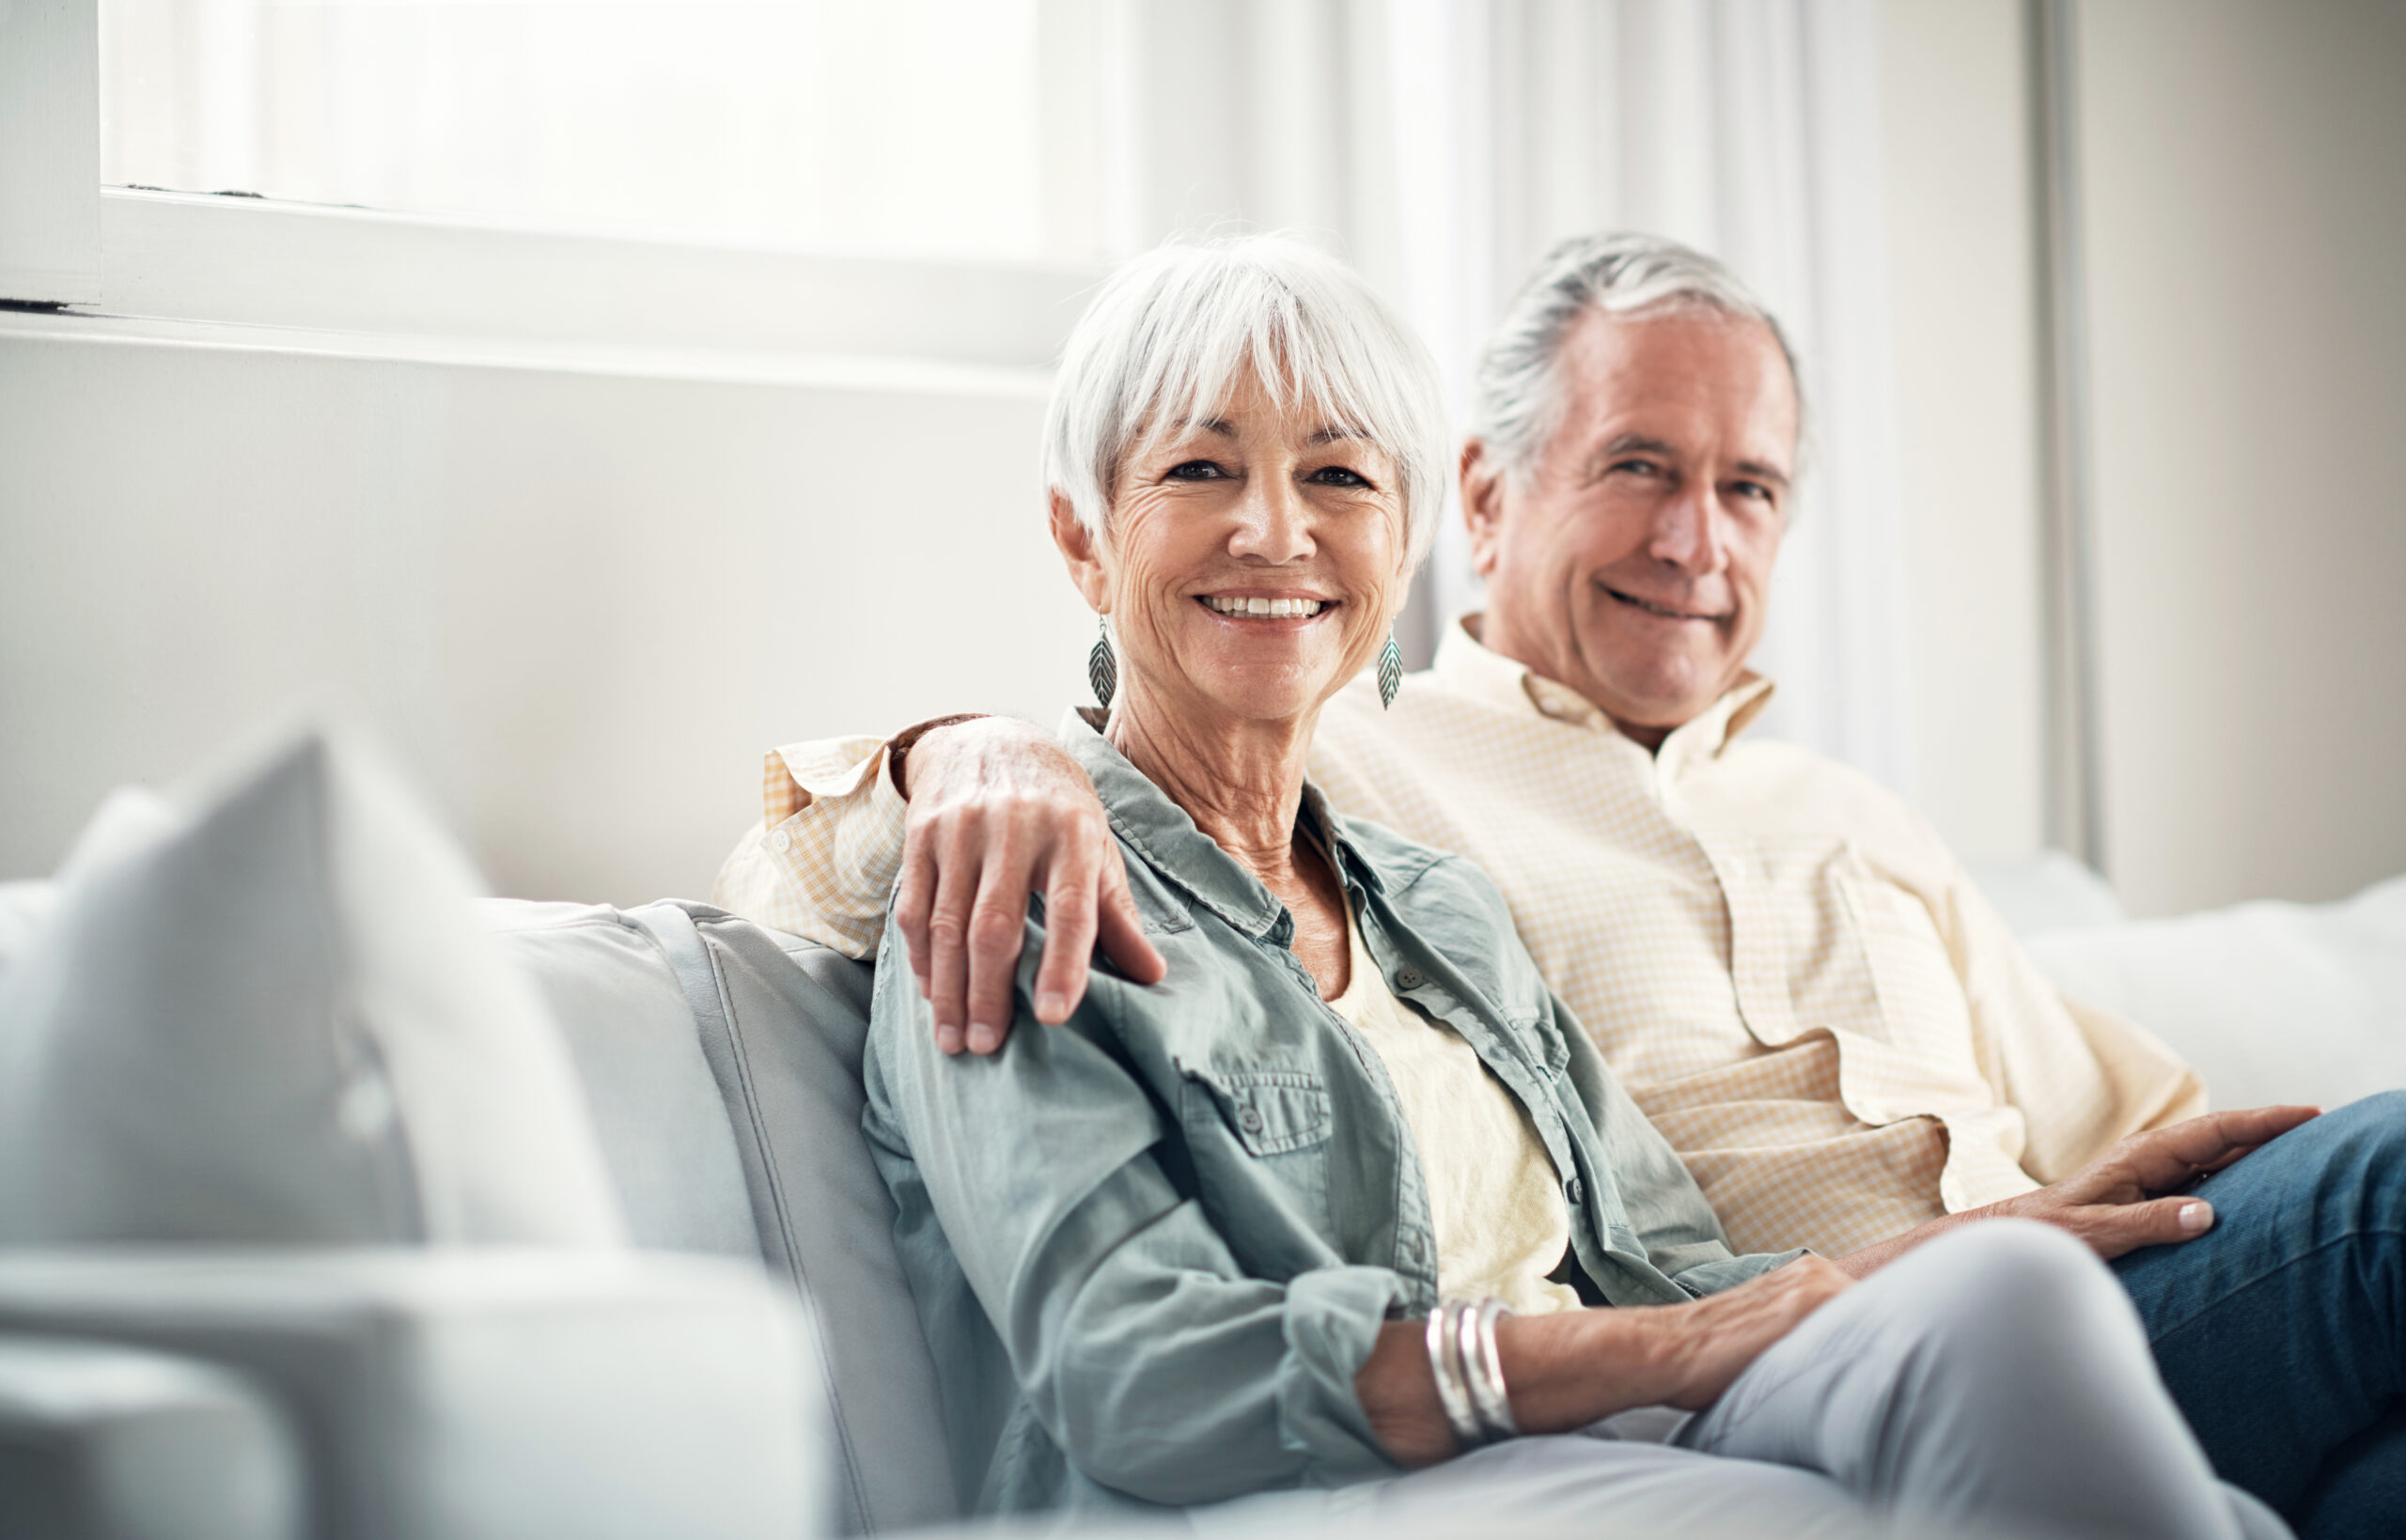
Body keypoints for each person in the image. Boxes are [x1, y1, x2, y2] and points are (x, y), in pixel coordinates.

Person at [721, 235, 2403, 1536]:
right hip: (1353, 1475)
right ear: (1084, 541)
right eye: (1197, 470)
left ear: (1395, 538)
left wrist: (1978, 1245)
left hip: (1648, 1409)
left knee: (2044, 1301)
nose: (1277, 533)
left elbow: (1679, 1281)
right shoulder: (1036, 868)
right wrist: (969, 746)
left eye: (1334, 476)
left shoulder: (1424, 900)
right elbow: (1138, 1367)